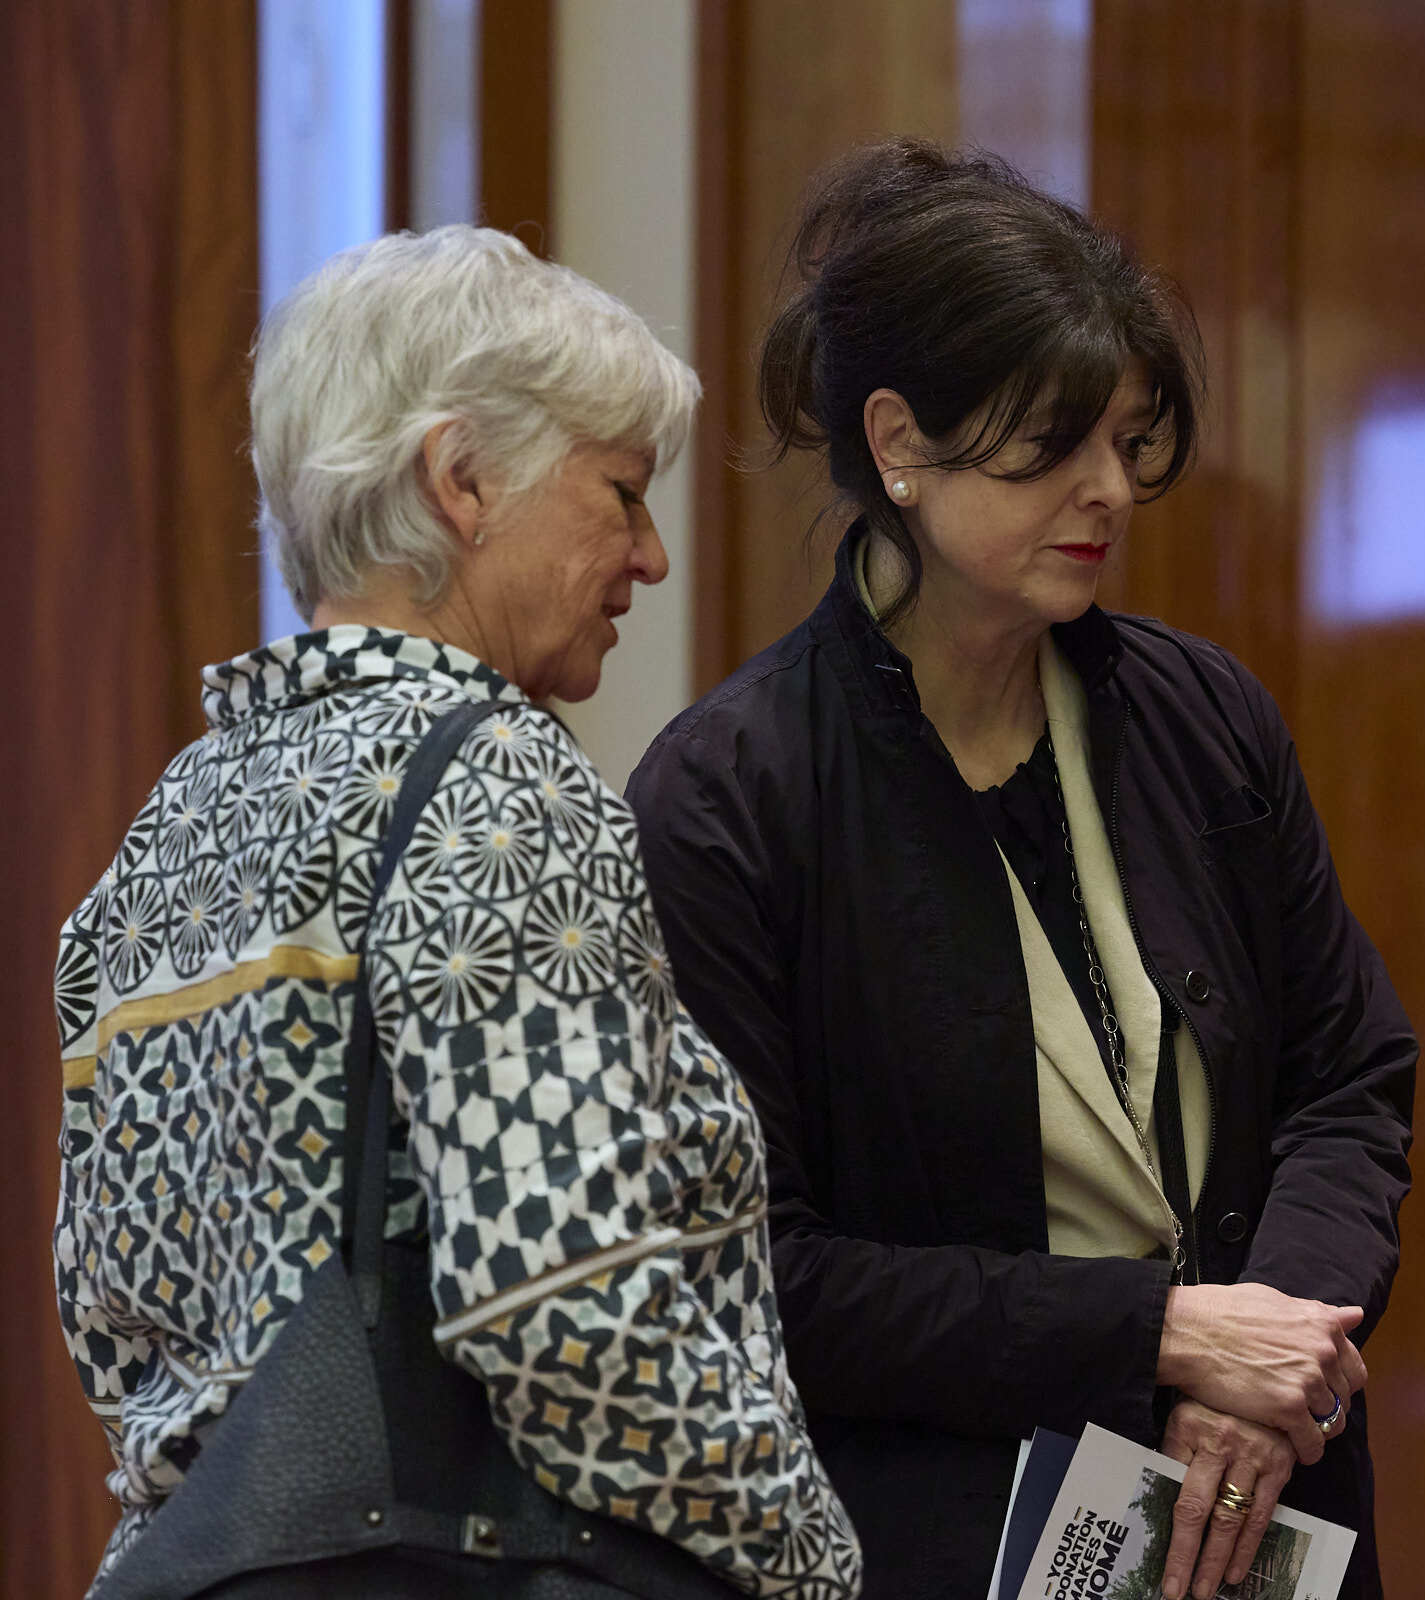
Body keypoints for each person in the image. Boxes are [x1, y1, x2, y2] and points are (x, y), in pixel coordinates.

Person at [625, 140, 1416, 1600]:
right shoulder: (729, 797)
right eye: (1052, 445)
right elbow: (762, 1274)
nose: (1109, 489)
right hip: (947, 1531)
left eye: (1129, 439)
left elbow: (1349, 1076)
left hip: (1266, 1499)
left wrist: (1260, 1360)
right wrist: (1160, 1333)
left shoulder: (1204, 718)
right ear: (899, 444)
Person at [52, 227, 860, 1598]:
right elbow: (565, 1301)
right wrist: (806, 1557)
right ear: (461, 478)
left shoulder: (166, 833)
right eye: (621, 492)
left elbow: (121, 1336)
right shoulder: (492, 781)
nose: (653, 554)